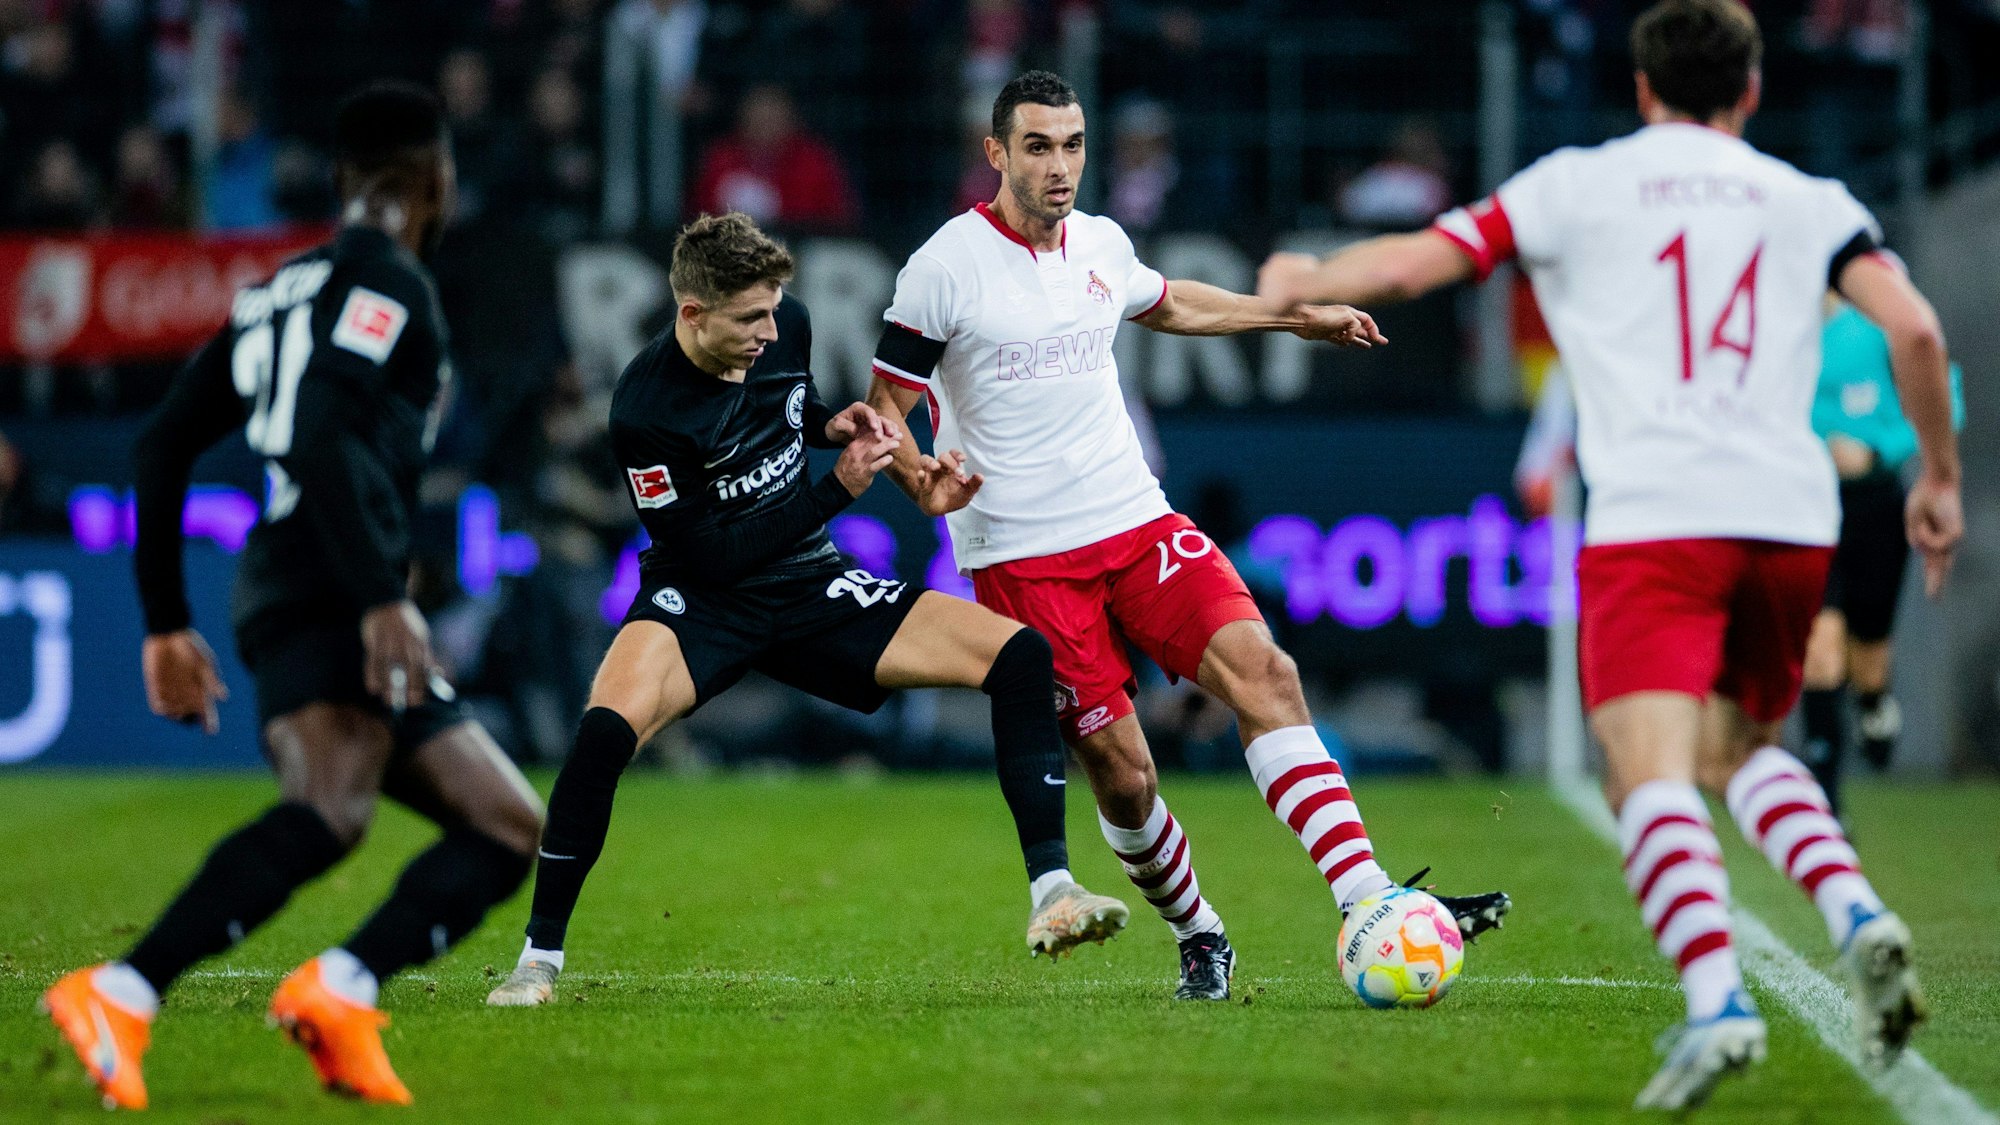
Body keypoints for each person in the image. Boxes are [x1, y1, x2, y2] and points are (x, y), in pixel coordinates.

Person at [1257, 1, 1958, 1107]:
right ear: (1752, 88)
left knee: (1646, 767)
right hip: (1786, 515)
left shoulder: (1575, 184)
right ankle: (1855, 913)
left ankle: (1717, 1001)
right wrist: (1939, 481)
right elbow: (1915, 330)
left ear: (1640, 88)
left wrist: (1304, 278)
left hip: (1655, 514)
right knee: (1741, 748)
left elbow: (1416, 264)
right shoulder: (1808, 200)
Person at [865, 70, 1511, 1004]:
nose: (1061, 166)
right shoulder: (944, 265)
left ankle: (1367, 896)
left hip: (1135, 518)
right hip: (1021, 556)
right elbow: (889, 404)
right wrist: (919, 476)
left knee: (1268, 673)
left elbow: (1167, 302)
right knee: (1126, 778)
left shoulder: (1100, 242)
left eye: (1074, 144)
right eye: (1039, 146)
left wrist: (1294, 319)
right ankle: (1200, 931)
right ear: (997, 152)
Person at [39, 83, 545, 1111]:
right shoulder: (391, 286)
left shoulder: (281, 289)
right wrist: (376, 597)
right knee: (329, 812)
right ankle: (121, 991)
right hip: (326, 583)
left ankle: (341, 992)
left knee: (502, 824)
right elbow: (318, 431)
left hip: (302, 578)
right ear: (430, 176)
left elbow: (162, 442)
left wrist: (166, 621)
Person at [484, 212, 1124, 1007]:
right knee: (602, 734)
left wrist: (832, 422)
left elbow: (791, 404)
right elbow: (707, 556)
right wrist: (836, 490)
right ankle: (537, 959)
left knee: (1019, 654)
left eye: (774, 307)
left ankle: (1053, 890)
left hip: (809, 584)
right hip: (704, 599)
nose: (768, 327)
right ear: (693, 314)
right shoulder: (644, 410)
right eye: (749, 316)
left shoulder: (787, 324)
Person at [1800, 299, 1966, 812]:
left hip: (1874, 506)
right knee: (1820, 651)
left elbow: (1947, 396)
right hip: (1807, 507)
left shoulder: (1877, 326)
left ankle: (1874, 699)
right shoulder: (1780, 325)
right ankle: (1827, 800)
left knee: (1866, 659)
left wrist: (1877, 449)